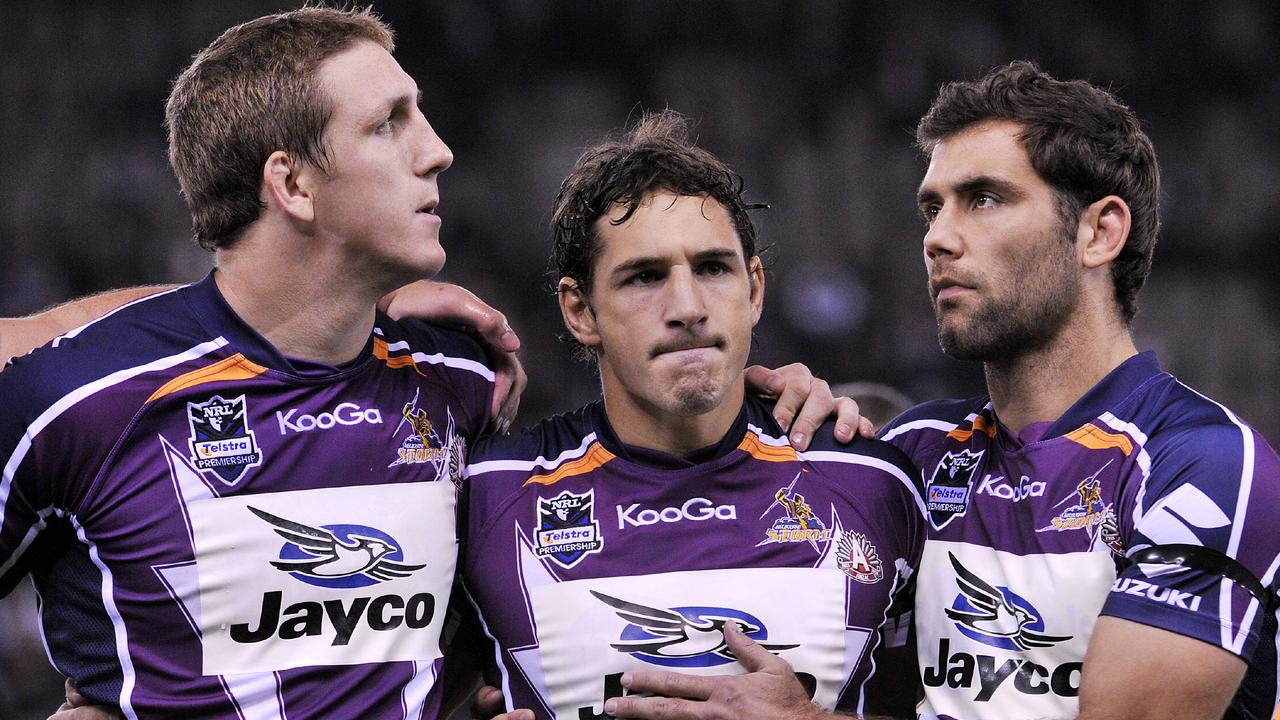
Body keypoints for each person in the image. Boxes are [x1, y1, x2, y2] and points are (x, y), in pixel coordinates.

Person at [606, 62, 1280, 720]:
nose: (937, 238)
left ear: (1098, 232)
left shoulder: (1204, 465)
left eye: (983, 199)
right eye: (933, 208)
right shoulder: (914, 457)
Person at [459, 111, 924, 720]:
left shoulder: (876, 484)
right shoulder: (487, 496)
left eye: (712, 268)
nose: (687, 307)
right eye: (644, 277)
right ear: (580, 311)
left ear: (754, 289)